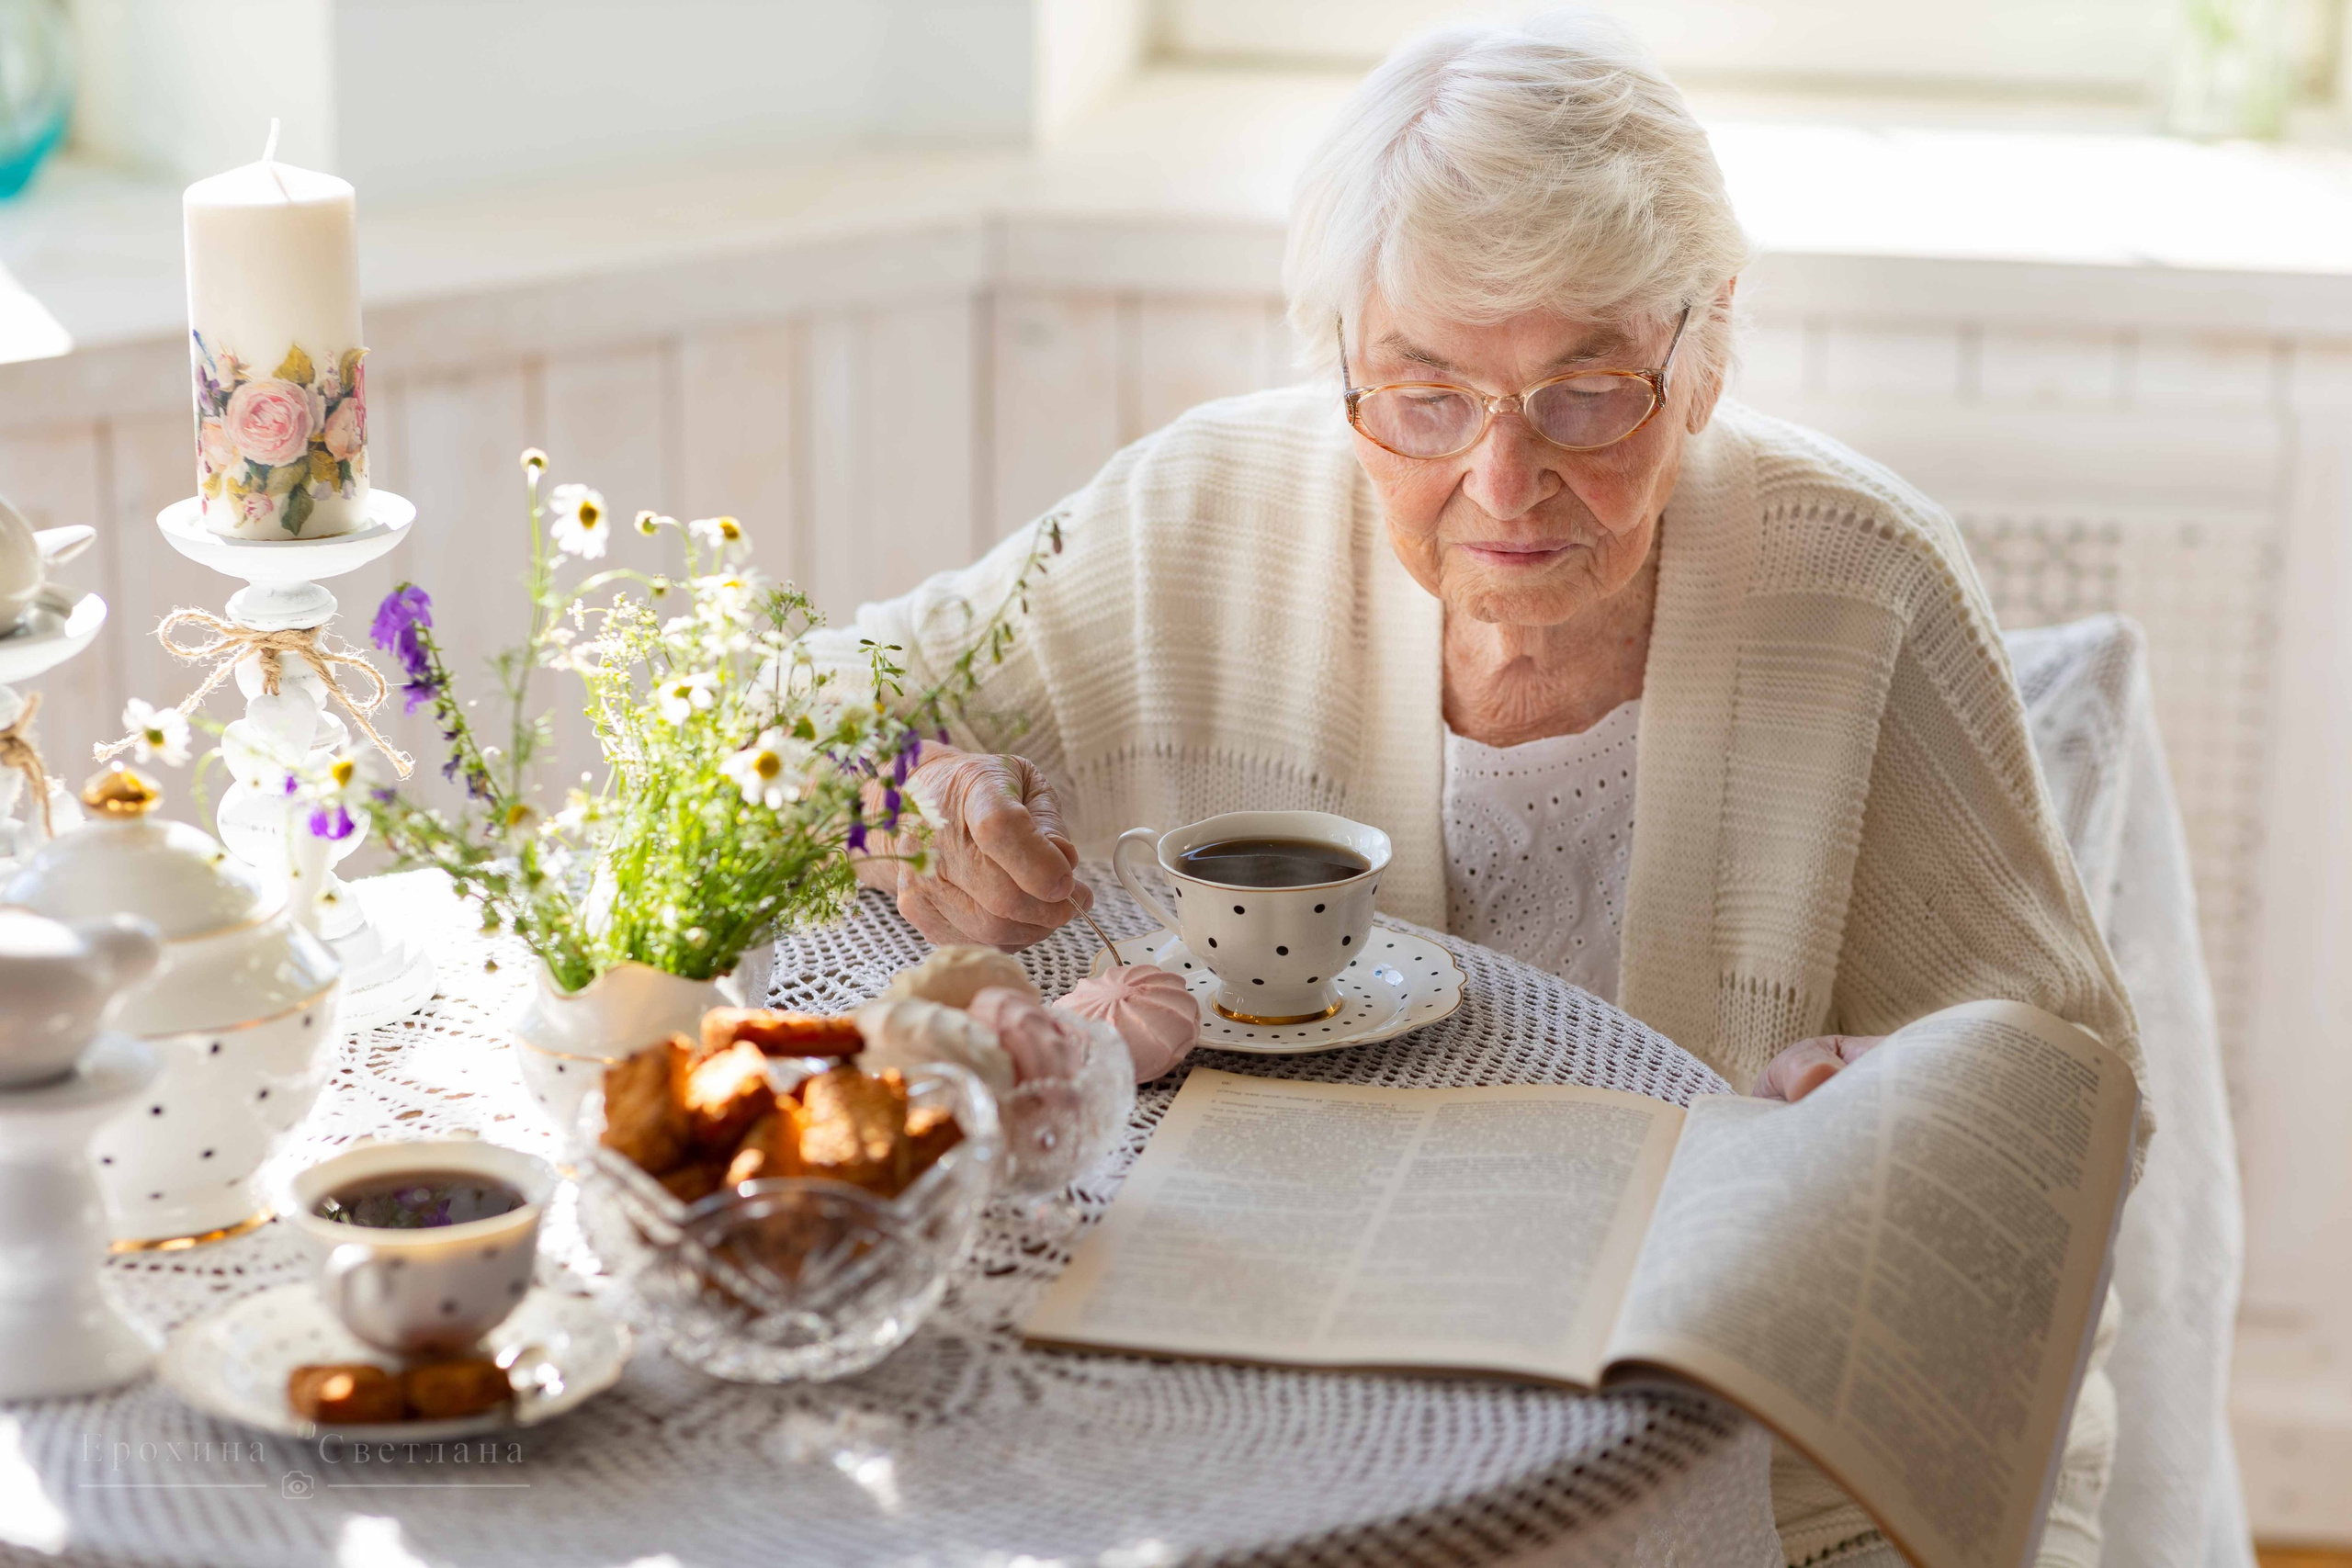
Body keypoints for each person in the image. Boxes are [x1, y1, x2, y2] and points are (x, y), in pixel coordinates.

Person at [817, 13, 2146, 1565]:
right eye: (1425, 395)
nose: (1504, 484)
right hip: (1261, 1398)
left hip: (1750, 1463)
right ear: (1342, 359)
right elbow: (786, 722)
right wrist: (913, 797)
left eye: (1589, 392)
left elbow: (2065, 1094)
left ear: (1708, 350)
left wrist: (1889, 1112)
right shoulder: (1197, 513)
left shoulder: (1862, 582)